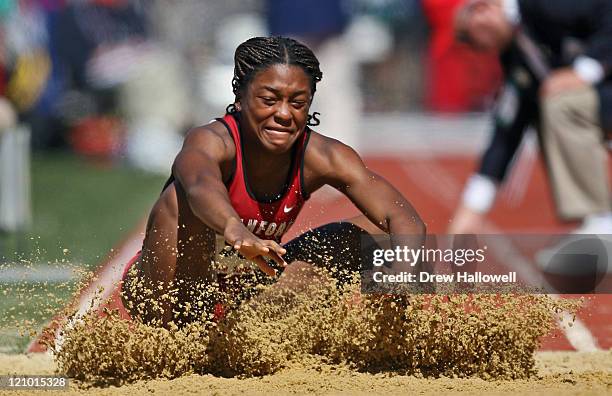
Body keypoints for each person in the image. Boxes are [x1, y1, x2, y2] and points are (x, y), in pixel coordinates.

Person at [120, 36, 425, 327]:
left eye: (297, 103)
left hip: (246, 286)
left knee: (367, 235)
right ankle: (175, 338)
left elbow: (403, 217)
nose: (283, 113)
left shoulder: (324, 155)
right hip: (171, 289)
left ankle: (250, 336)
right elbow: (200, 185)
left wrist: (401, 280)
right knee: (177, 202)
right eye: (269, 100)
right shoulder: (211, 141)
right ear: (240, 99)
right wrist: (235, 229)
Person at [449, 0, 612, 235]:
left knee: (560, 103)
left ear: (484, 8)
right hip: (597, 101)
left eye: (473, 32)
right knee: (548, 106)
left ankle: (601, 220)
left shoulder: (542, 6)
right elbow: (508, 129)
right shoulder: (515, 54)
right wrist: (474, 207)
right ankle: (596, 218)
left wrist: (584, 71)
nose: (479, 42)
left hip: (602, 89)